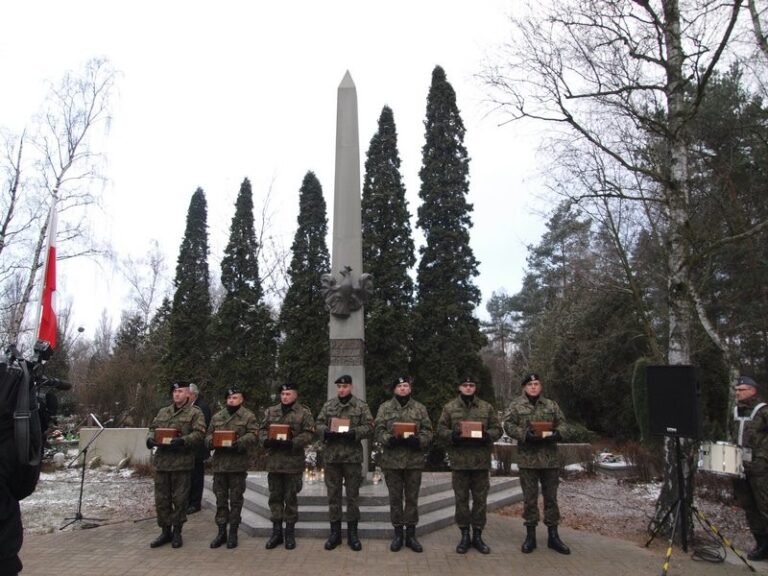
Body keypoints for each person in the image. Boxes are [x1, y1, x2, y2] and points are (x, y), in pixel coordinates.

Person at [503, 373, 570, 555]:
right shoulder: (516, 406)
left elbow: (563, 424)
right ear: (524, 387)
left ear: (540, 386)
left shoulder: (551, 405)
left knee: (551, 499)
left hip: (549, 460)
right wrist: (524, 435)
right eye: (530, 384)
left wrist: (558, 434)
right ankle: (530, 536)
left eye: (537, 384)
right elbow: (508, 425)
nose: (533, 387)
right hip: (528, 460)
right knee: (529, 500)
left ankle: (553, 536)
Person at [437, 376, 502, 554]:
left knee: (480, 501)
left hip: (480, 462)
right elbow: (441, 429)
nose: (468, 388)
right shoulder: (450, 407)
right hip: (460, 463)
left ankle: (478, 536)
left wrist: (487, 435)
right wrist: (453, 436)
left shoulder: (486, 407)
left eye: (471, 385)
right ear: (459, 387)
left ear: (475, 388)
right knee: (461, 501)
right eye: (464, 385)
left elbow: (498, 429)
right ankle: (464, 535)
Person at [374, 376, 433, 553]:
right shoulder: (385, 408)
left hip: (413, 461)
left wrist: (419, 441)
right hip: (392, 461)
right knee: (395, 499)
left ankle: (411, 535)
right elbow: (378, 429)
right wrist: (388, 439)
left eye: (406, 385)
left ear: (410, 389)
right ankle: (398, 533)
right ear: (394, 389)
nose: (403, 388)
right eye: (399, 386)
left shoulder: (419, 408)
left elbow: (428, 431)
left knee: (412, 499)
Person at [316, 374, 374, 551]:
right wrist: (326, 432)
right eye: (339, 387)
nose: (342, 389)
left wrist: (354, 433)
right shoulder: (329, 405)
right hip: (332, 458)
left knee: (352, 497)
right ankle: (334, 534)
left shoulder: (360, 406)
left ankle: (352, 534)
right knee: (333, 496)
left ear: (351, 387)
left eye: (345, 386)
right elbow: (318, 423)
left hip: (351, 459)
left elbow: (370, 426)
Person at [146, 380, 206, 549]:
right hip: (163, 463)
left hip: (181, 464)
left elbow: (200, 433)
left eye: (180, 391)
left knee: (180, 500)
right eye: (174, 392)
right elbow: (153, 427)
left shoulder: (195, 413)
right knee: (162, 500)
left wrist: (182, 441)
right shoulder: (163, 412)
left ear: (188, 393)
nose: (177, 394)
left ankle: (178, 531)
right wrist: (150, 439)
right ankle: (165, 531)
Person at [259, 383, 314, 550]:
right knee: (275, 498)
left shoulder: (303, 412)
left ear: (295, 395)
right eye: (283, 394)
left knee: (290, 499)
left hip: (292, 463)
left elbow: (310, 432)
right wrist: (266, 440)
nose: (285, 397)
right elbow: (261, 430)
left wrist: (293, 443)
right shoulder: (271, 411)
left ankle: (289, 533)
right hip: (275, 462)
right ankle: (276, 533)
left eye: (288, 394)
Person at [205, 386, 258, 549]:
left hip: (237, 466)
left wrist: (239, 443)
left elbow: (254, 434)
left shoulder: (248, 416)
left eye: (235, 398)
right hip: (220, 465)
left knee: (236, 500)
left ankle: (233, 532)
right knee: (221, 500)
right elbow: (207, 435)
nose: (231, 400)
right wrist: (212, 442)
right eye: (229, 398)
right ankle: (221, 532)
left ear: (241, 400)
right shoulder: (217, 417)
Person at [731, 375, 768, 561]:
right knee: (749, 507)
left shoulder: (763, 411)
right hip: (740, 468)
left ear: (753, 390)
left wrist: (764, 457)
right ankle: (761, 543)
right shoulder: (736, 412)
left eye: (742, 390)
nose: (738, 393)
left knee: (765, 506)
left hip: (761, 469)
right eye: (736, 390)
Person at [186, 382, 211, 514]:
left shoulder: (202, 407)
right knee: (189, 476)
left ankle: (195, 503)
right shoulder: (188, 406)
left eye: (187, 393)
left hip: (198, 448)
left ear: (193, 394)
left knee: (196, 477)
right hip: (189, 449)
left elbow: (202, 428)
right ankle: (189, 501)